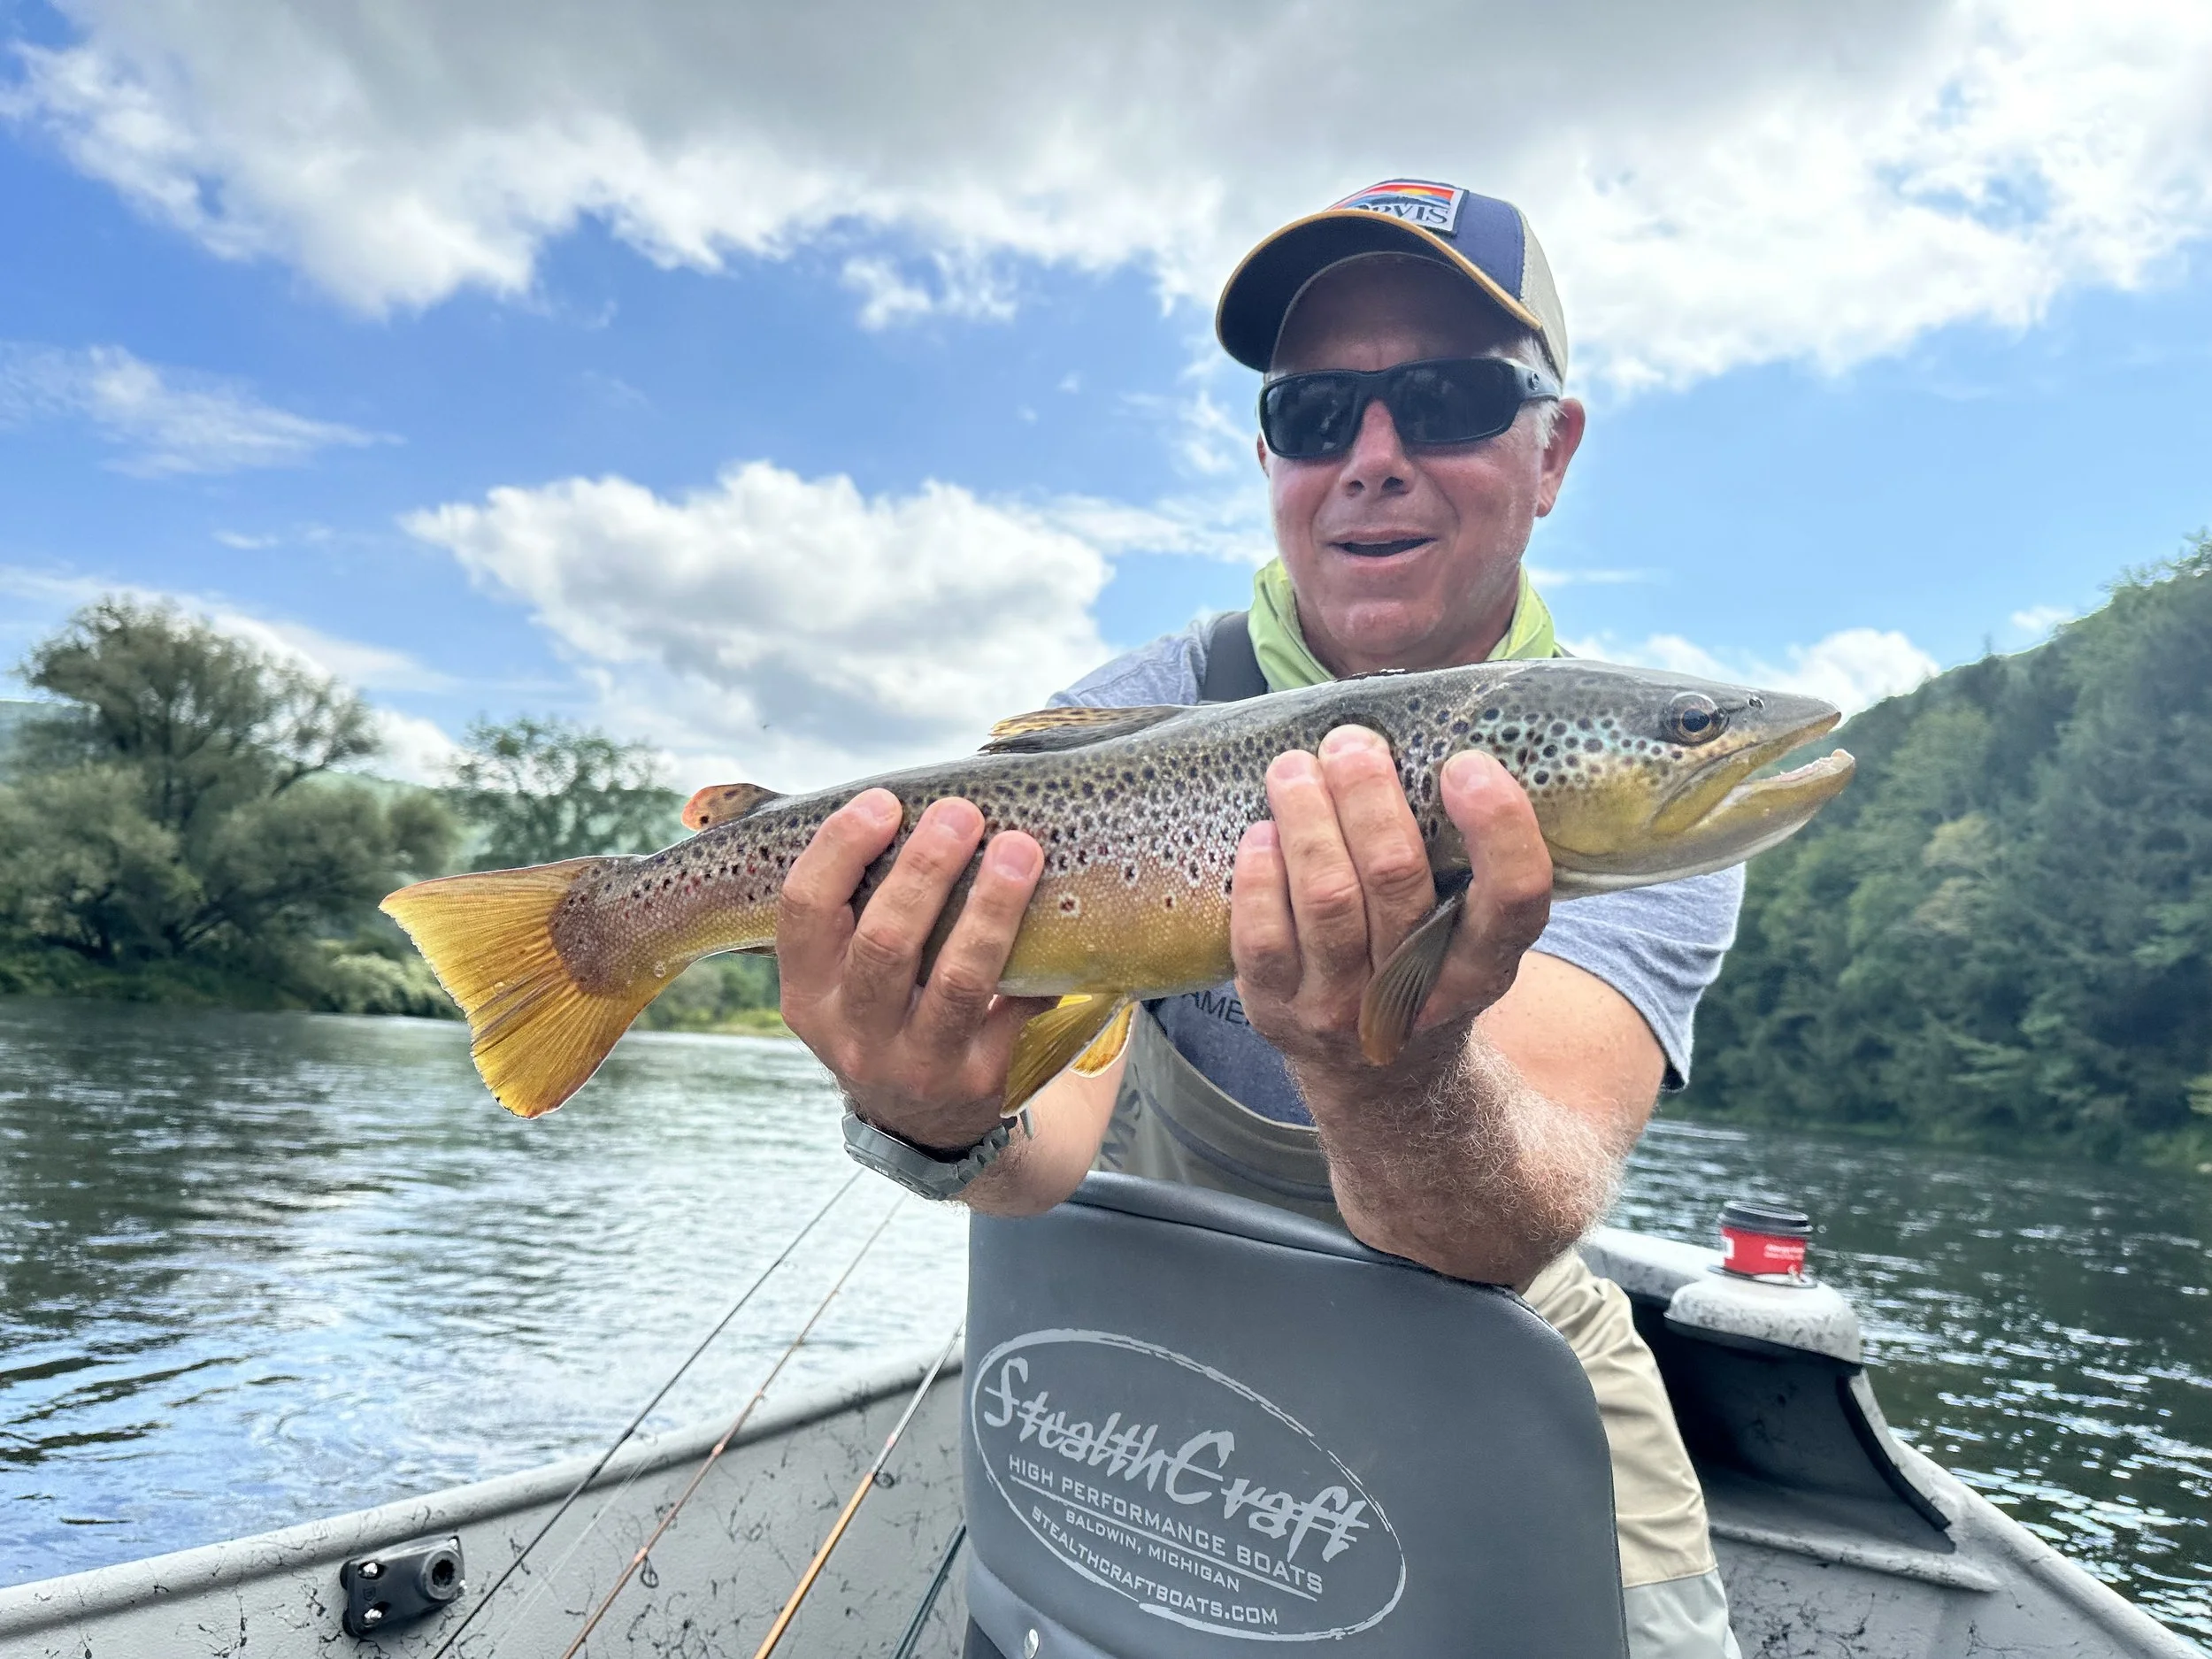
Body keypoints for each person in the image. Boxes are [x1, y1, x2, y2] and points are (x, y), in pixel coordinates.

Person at [776, 180, 1744, 1659]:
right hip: (1158, 1318)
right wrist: (925, 1114)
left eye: (1449, 398)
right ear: (1270, 455)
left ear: (1553, 451)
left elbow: (1503, 1219)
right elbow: (1037, 1162)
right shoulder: (1138, 715)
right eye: (1315, 414)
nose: (1373, 458)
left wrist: (1386, 1063)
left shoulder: (1651, 767)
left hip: (1498, 1354)